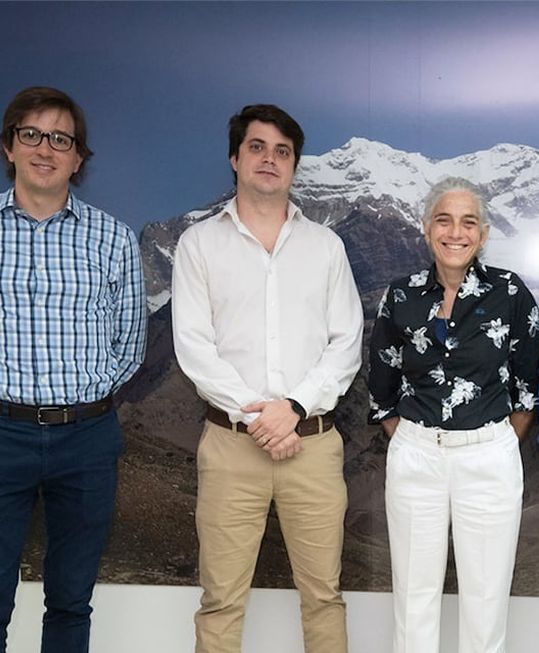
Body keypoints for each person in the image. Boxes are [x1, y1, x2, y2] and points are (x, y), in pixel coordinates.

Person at [172, 104, 362, 653]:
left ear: (294, 165)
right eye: (257, 147)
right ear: (235, 158)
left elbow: (347, 342)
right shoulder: (199, 244)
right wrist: (262, 417)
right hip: (231, 447)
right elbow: (194, 346)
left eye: (283, 151)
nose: (269, 159)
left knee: (324, 597)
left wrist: (294, 408)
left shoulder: (325, 247)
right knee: (221, 600)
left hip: (313, 447)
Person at [0, 86, 147, 653]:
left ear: (78, 159)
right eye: (31, 134)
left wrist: (84, 399)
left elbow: (130, 344)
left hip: (86, 439)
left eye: (61, 139)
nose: (44, 148)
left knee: (72, 601)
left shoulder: (113, 238)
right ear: (9, 147)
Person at [367, 177, 539, 653]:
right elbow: (382, 385)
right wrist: (415, 440)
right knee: (413, 602)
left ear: (483, 234)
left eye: (468, 222)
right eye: (444, 220)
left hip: (488, 457)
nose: (456, 232)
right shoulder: (401, 296)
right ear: (427, 229)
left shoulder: (509, 291)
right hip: (416, 457)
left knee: (486, 603)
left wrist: (493, 441)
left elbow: (527, 388)